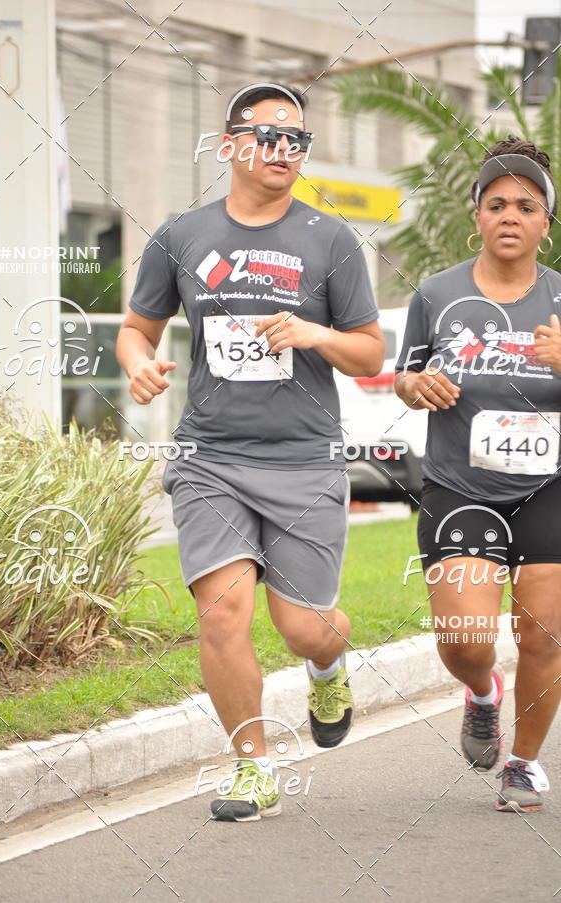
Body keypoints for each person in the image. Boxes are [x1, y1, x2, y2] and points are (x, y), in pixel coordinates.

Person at [116, 83, 384, 821]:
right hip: (211, 457)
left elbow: (368, 353)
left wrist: (315, 334)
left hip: (302, 460)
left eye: (296, 138)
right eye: (268, 136)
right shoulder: (182, 236)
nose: (283, 150)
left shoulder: (331, 240)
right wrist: (138, 361)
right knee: (223, 615)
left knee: (303, 626)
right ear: (231, 144)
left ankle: (327, 666)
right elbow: (137, 326)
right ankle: (252, 765)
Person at [395, 136, 561, 812]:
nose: (510, 215)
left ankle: (522, 764)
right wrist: (418, 385)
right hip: (462, 487)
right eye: (496, 204)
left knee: (544, 634)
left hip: (551, 487)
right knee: (465, 642)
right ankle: (482, 692)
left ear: (547, 221)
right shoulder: (437, 294)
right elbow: (404, 376)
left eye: (526, 204)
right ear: (478, 217)